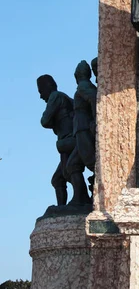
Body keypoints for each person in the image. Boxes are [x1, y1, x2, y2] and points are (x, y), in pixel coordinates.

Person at [37, 75, 76, 205]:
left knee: (66, 174)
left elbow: (45, 120)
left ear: (48, 87)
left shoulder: (55, 96)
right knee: (60, 178)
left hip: (68, 141)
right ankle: (65, 206)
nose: (41, 96)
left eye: (41, 91)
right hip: (68, 141)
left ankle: (79, 198)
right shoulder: (63, 97)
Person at [66, 61, 97, 203]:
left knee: (92, 162)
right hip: (79, 129)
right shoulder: (84, 86)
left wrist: (96, 119)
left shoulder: (83, 86)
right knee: (72, 164)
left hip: (83, 129)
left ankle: (92, 194)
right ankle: (80, 197)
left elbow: (93, 98)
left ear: (76, 75)